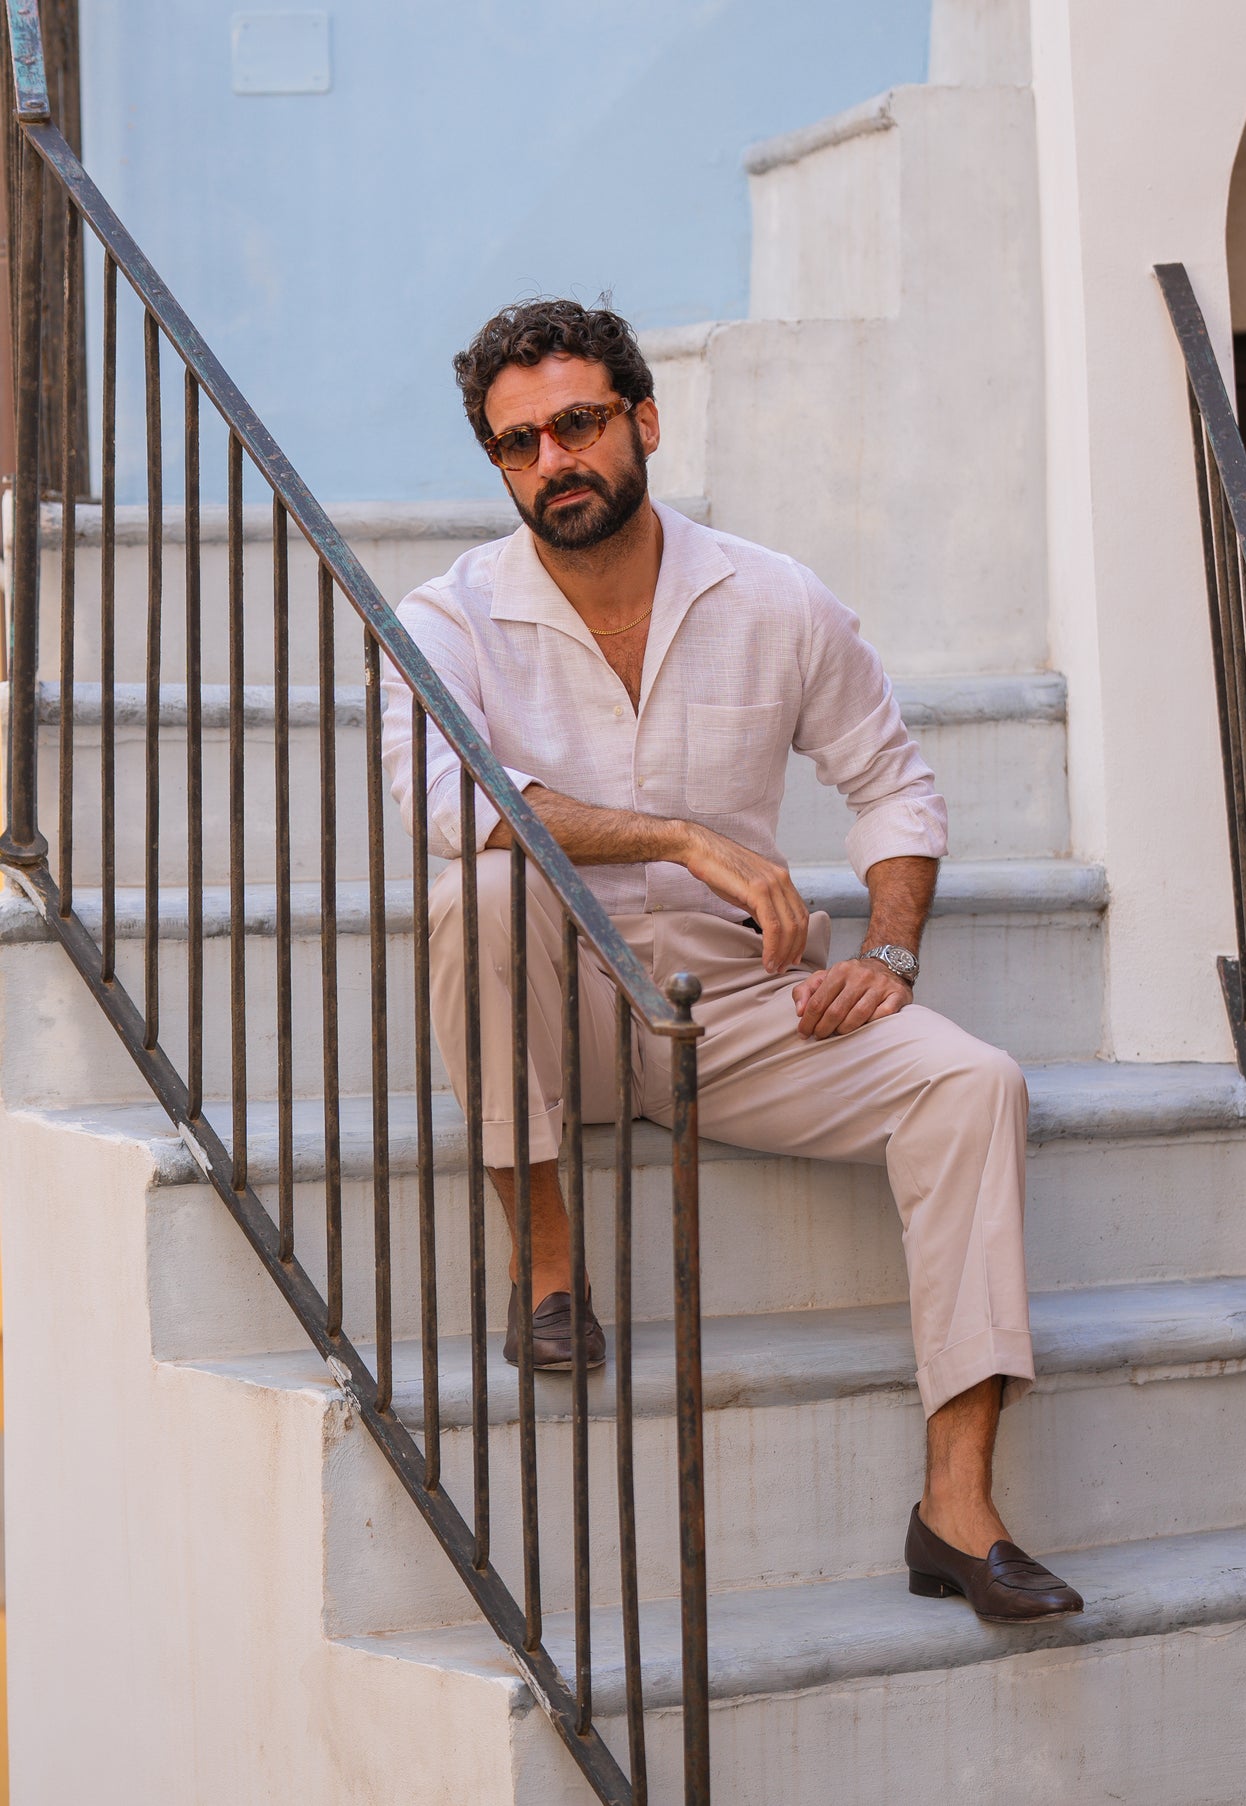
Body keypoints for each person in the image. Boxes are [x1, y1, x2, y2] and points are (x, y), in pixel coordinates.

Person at [381, 298, 1082, 1625]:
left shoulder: (772, 597)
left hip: (740, 1009)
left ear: (644, 421)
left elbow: (893, 785)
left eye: (577, 424)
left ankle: (956, 1506)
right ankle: (546, 1260)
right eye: (518, 442)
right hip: (563, 1009)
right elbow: (449, 799)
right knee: (481, 885)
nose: (552, 461)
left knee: (973, 1082)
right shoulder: (450, 614)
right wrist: (678, 836)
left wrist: (889, 947)